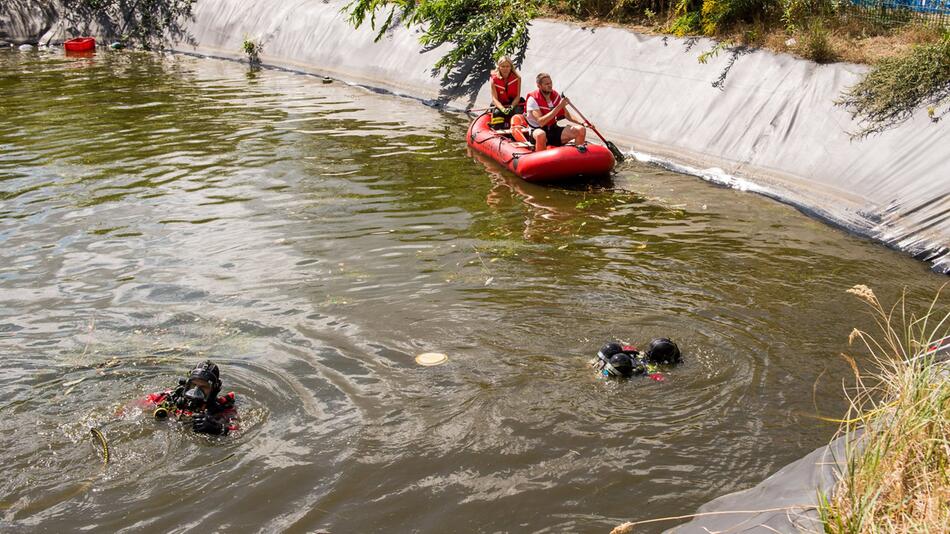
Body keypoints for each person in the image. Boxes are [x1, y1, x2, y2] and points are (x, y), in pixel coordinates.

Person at [143, 360, 239, 435]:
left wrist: (217, 429)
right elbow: (135, 406)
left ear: (214, 390)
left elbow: (237, 431)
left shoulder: (223, 410)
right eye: (193, 385)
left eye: (203, 387)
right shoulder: (171, 397)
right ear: (187, 384)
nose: (196, 391)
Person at [524, 72, 587, 151]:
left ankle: (579, 157)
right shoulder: (532, 99)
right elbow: (541, 122)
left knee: (581, 129)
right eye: (546, 84)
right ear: (539, 86)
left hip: (553, 129)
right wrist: (559, 106)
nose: (550, 85)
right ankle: (541, 159)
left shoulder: (555, 95)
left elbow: (567, 115)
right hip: (538, 130)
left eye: (550, 83)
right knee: (541, 134)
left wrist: (583, 123)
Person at [593, 338, 682, 380]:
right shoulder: (652, 369)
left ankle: (595, 366)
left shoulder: (637, 352)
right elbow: (661, 379)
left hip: (605, 367)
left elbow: (627, 347)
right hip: (612, 376)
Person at [488, 56, 523, 129]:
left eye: (507, 66)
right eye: (502, 66)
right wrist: (502, 109)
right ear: (499, 67)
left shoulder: (517, 78)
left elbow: (517, 97)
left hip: (513, 102)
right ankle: (498, 130)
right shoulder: (494, 80)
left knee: (517, 111)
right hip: (500, 103)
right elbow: (494, 99)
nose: (505, 69)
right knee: (497, 113)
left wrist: (511, 107)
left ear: (511, 67)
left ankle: (517, 129)